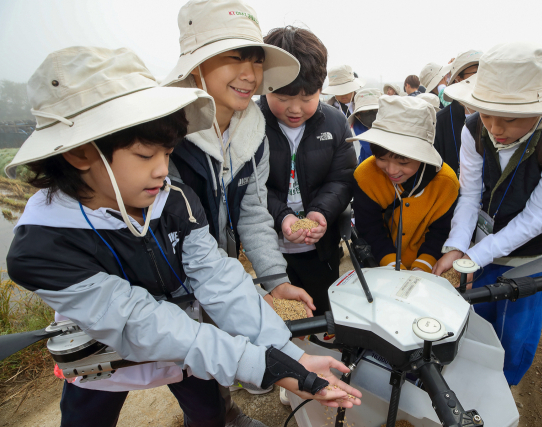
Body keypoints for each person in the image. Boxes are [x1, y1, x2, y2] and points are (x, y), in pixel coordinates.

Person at [5, 46, 362, 427]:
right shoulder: (45, 246)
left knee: (208, 412)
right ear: (79, 154)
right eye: (145, 156)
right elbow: (142, 323)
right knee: (88, 416)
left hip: (189, 343)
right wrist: (272, 366)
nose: (163, 170)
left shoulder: (173, 201)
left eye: (168, 153)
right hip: (108, 349)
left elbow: (218, 279)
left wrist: (291, 355)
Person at [432, 42, 542, 386]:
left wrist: (473, 257)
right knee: (478, 315)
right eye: (486, 113)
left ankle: (504, 386)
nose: (494, 127)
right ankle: (472, 380)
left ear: (541, 108)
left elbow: (541, 214)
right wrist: (457, 248)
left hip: (532, 253)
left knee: (516, 328)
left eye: (510, 118)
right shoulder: (474, 127)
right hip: (481, 244)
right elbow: (471, 193)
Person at [163, 0, 314, 317]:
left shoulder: (253, 134)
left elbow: (253, 213)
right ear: (195, 65)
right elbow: (181, 238)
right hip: (170, 295)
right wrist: (245, 297)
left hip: (221, 285)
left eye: (257, 62)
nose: (249, 75)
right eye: (234, 58)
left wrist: (275, 281)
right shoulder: (166, 139)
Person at [260, 26, 357, 318]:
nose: (295, 108)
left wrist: (321, 213)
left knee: (322, 314)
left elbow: (341, 178)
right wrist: (283, 217)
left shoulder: (335, 123)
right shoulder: (251, 123)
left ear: (321, 87)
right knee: (282, 319)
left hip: (320, 248)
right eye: (284, 96)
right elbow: (251, 187)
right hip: (270, 249)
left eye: (307, 96)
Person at [351, 96, 458, 272]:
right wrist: (392, 266)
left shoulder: (446, 182)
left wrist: (423, 266)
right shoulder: (365, 176)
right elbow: (370, 229)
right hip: (380, 264)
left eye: (403, 163)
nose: (392, 170)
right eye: (381, 158)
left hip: (428, 266)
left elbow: (440, 232)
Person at [433, 50, 483, 176]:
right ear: (458, 78)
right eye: (476, 72)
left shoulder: (497, 114)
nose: (482, 77)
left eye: (485, 71)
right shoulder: (441, 120)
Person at [348, 88, 383, 163]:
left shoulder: (392, 131)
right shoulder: (352, 134)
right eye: (365, 111)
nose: (371, 113)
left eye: (375, 110)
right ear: (358, 115)